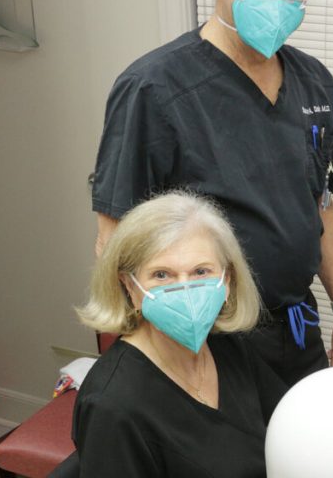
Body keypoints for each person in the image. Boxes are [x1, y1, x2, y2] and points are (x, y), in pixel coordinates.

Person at [90, 0, 333, 386]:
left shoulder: (314, 83)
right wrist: (163, 360)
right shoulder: (153, 90)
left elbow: (319, 203)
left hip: (298, 330)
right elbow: (113, 242)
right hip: (208, 341)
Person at [73, 191, 287, 477]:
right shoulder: (111, 406)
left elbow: (286, 429)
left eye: (201, 271)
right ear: (130, 287)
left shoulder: (228, 346)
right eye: (162, 275)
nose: (185, 290)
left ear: (227, 279)